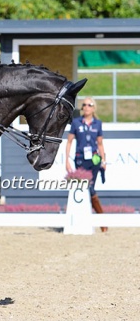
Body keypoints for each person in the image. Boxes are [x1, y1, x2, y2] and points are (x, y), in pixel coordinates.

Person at [66, 97, 107, 232]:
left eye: (89, 105)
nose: (86, 107)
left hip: (94, 160)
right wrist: (67, 160)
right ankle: (102, 223)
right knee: (86, 188)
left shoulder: (98, 124)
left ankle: (100, 222)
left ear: (93, 107)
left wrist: (104, 160)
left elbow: (100, 144)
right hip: (80, 159)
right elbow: (69, 142)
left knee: (91, 189)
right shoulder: (76, 123)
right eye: (84, 105)